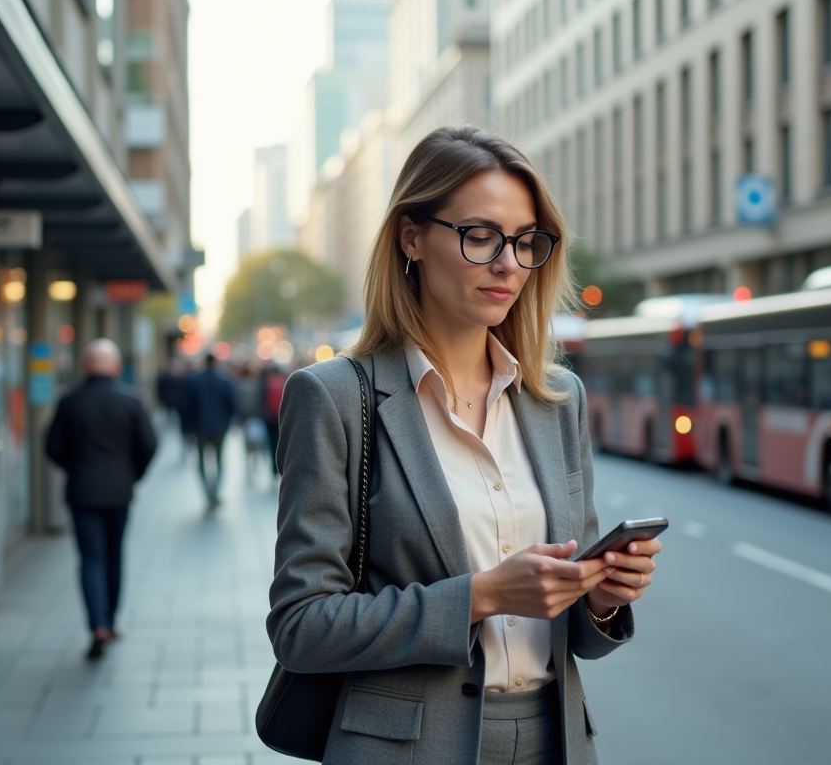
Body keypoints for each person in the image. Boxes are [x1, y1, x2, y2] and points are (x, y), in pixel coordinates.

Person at [267, 126, 661, 765]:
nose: (508, 263)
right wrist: (482, 596)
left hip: (554, 741)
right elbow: (301, 627)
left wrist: (602, 598)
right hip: (406, 748)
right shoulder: (334, 397)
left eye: (526, 241)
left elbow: (578, 637)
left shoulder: (557, 399)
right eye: (480, 236)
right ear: (412, 237)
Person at [46, 338, 157, 661]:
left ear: (84, 367)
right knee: (114, 553)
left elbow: (53, 447)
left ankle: (96, 624)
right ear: (116, 367)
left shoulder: (70, 402)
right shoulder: (130, 400)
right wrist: (132, 474)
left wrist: (76, 469)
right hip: (119, 491)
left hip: (81, 491)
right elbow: (149, 445)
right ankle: (110, 619)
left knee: (90, 558)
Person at [179, 352, 239, 508]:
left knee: (201, 462)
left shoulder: (194, 381)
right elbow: (233, 404)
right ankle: (215, 492)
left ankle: (208, 493)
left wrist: (188, 427)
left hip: (199, 428)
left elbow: (186, 407)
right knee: (219, 461)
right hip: (220, 428)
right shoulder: (225, 381)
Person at [260, 361, 287, 480]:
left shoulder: (267, 383)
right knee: (281, 443)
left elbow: (262, 400)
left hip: (269, 418)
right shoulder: (284, 382)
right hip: (281, 417)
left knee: (271, 444)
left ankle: (273, 470)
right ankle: (281, 468)